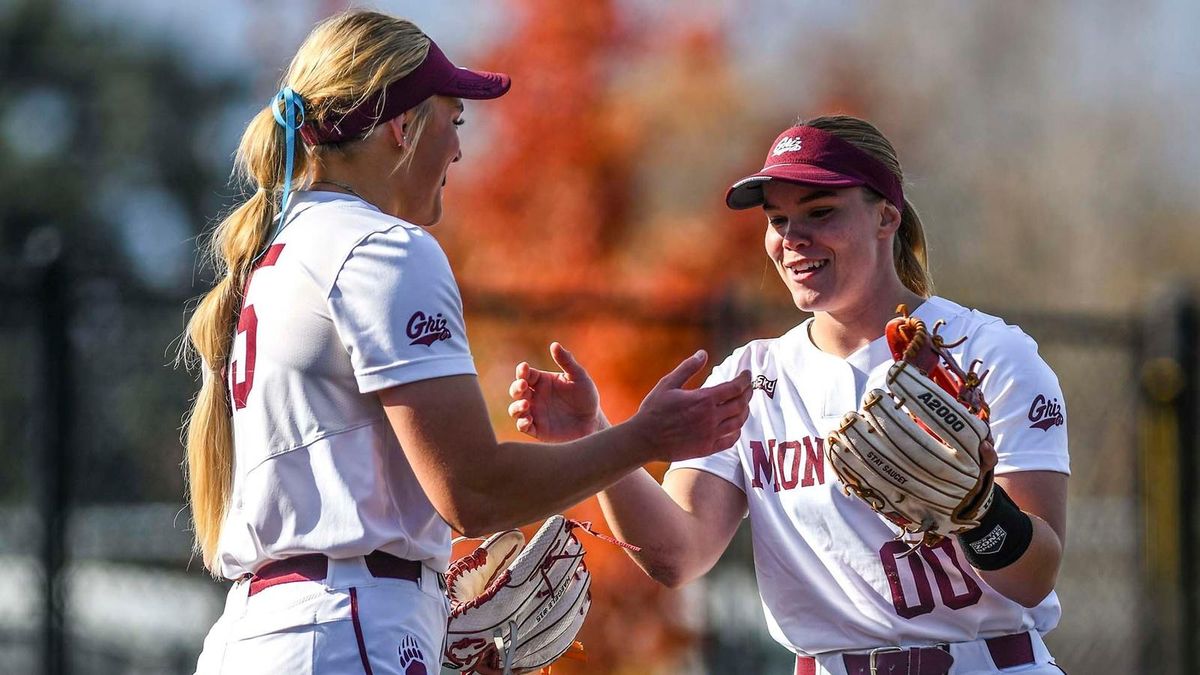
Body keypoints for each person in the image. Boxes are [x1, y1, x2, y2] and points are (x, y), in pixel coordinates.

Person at [180, 10, 752, 675]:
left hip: (258, 633)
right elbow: (473, 492)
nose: (458, 148)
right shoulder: (382, 248)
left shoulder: (277, 252)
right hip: (343, 628)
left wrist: (418, 606)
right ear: (401, 127)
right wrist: (645, 438)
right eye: (454, 120)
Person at [509, 115, 1069, 674]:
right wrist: (601, 437)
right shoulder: (751, 376)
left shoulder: (986, 355)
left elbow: (1033, 576)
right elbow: (678, 553)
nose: (792, 238)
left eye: (820, 212)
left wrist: (977, 511)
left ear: (886, 216)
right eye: (777, 219)